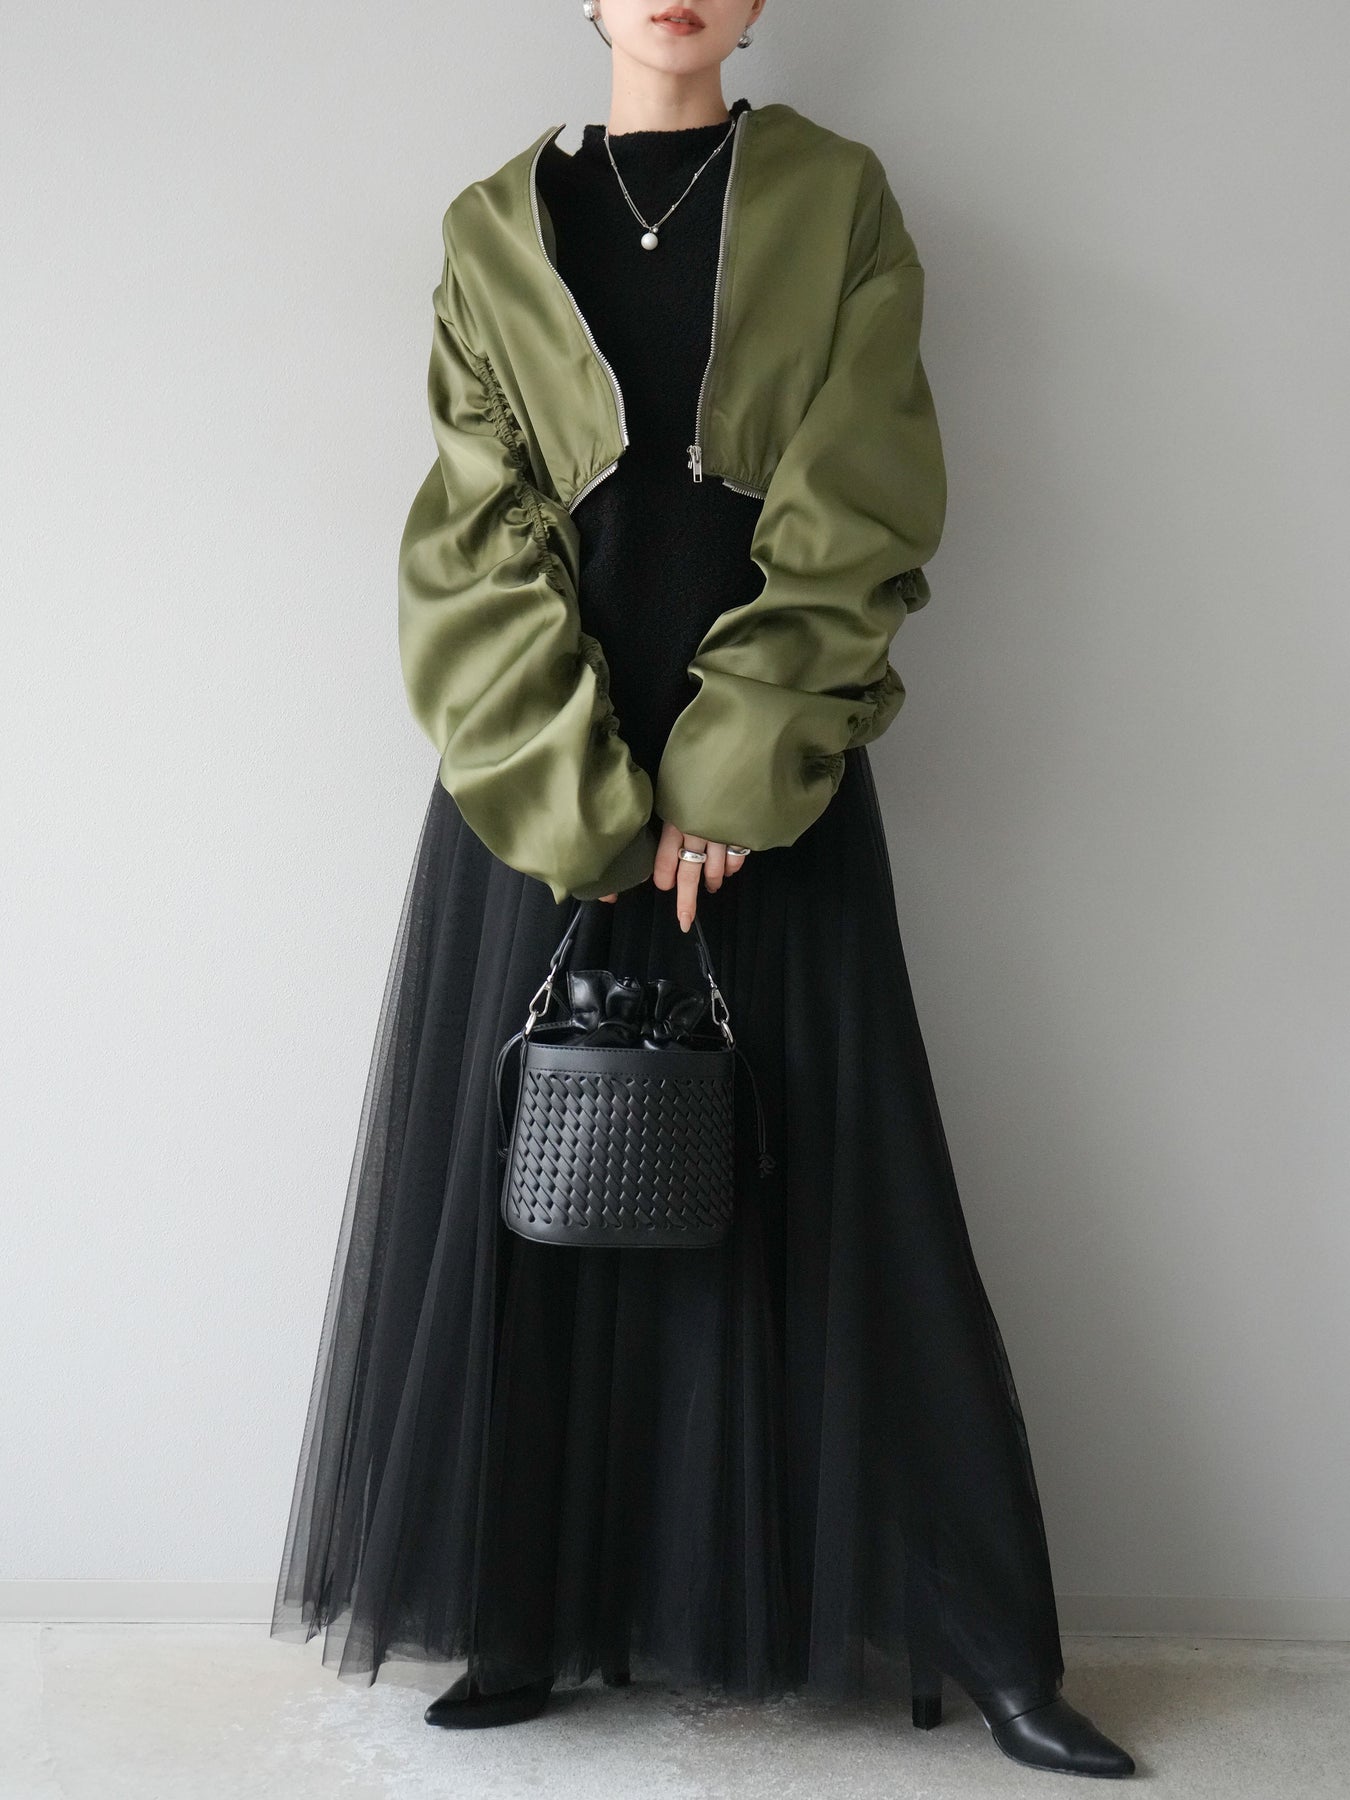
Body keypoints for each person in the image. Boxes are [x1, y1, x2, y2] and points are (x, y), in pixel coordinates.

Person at [270, 0, 1136, 1779]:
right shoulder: (492, 226)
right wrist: (582, 802)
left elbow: (863, 493)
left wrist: (739, 773)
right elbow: (473, 531)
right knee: (530, 1186)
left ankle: (987, 1644)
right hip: (540, 775)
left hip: (775, 764)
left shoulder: (834, 197)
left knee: (847, 1181)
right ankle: (522, 1614)